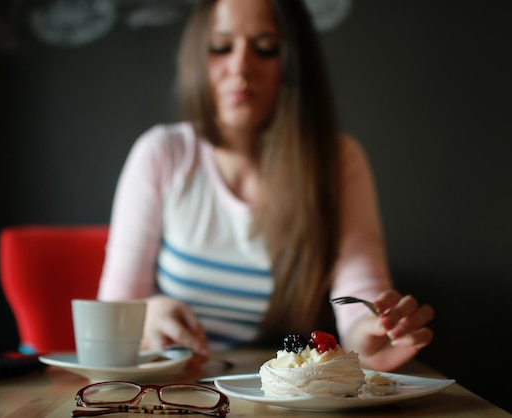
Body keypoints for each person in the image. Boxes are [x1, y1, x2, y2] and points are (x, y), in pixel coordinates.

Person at [97, 0, 434, 372]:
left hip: (285, 394)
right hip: (179, 390)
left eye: (265, 48)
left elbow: (360, 294)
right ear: (197, 56)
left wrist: (371, 335)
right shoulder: (162, 154)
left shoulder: (338, 161)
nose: (240, 66)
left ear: (293, 61)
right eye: (222, 46)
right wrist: (147, 315)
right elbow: (113, 312)